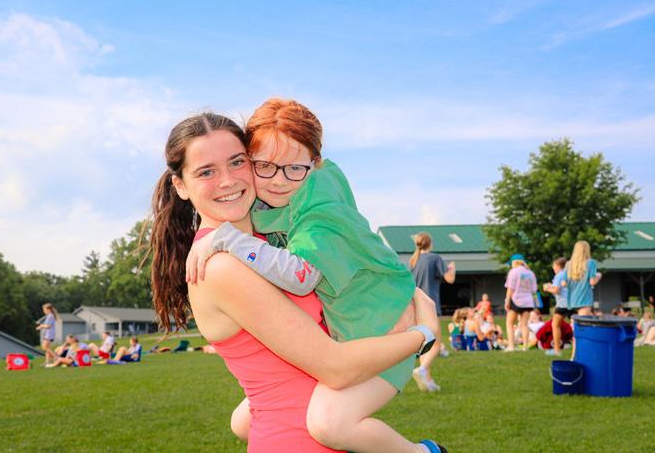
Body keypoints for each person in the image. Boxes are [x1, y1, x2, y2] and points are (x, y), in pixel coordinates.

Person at [150, 111, 445, 453]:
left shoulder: (269, 242)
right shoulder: (222, 266)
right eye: (206, 172)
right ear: (180, 185)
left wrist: (398, 296)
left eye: (237, 162)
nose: (228, 181)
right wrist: (422, 334)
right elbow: (336, 368)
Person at [408, 232, 455, 391]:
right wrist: (452, 269)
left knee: (425, 343)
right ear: (430, 243)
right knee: (436, 344)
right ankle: (421, 369)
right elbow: (450, 279)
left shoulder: (413, 261)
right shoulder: (435, 258)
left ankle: (427, 380)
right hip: (430, 305)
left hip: (416, 306)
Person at [504, 254, 537, 352]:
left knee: (509, 322)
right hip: (528, 301)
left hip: (516, 299)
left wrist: (507, 300)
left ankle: (511, 346)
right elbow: (534, 290)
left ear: (514, 262)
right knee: (524, 324)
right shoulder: (530, 273)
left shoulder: (513, 272)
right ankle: (525, 347)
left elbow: (510, 288)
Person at [543, 257, 569, 356]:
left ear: (558, 266)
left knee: (555, 325)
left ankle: (557, 350)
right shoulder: (568, 274)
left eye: (554, 266)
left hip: (562, 304)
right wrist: (551, 286)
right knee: (575, 326)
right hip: (571, 303)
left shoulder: (559, 275)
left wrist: (547, 289)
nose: (553, 268)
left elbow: (556, 290)